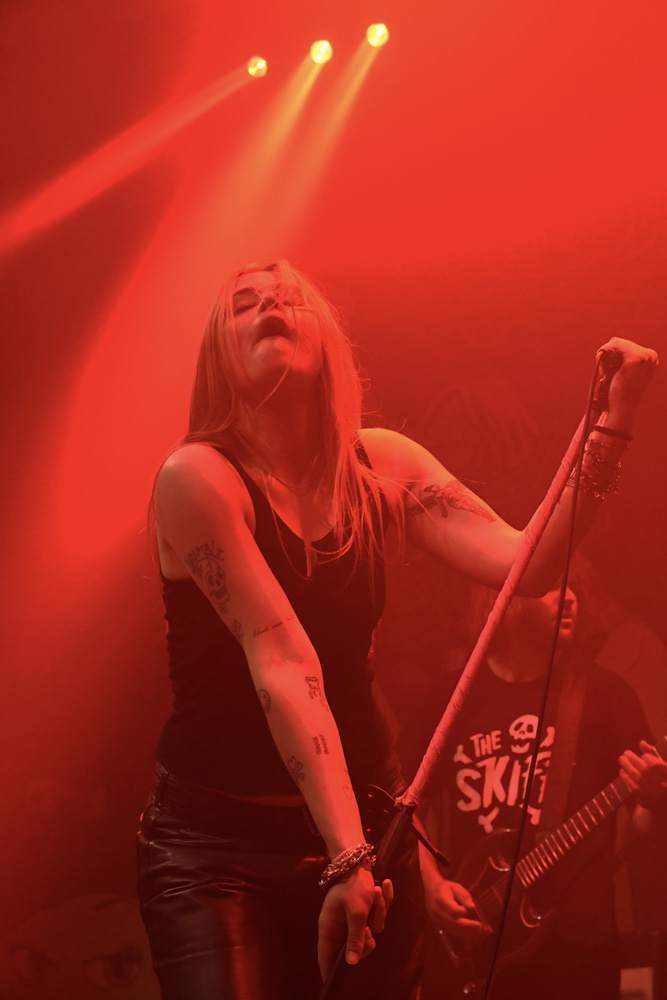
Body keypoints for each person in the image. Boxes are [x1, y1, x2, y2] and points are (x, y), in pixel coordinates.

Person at [135, 259, 657, 1000]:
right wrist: (346, 855)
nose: (269, 304)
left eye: (288, 298)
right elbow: (281, 659)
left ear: (329, 340)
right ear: (219, 352)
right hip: (223, 849)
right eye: (244, 303)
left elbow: (528, 564)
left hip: (369, 829)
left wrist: (610, 424)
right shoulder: (196, 477)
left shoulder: (381, 463)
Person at [418, 580, 667, 1000]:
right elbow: (403, 804)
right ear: (508, 595)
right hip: (469, 944)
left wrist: (657, 799)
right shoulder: (451, 697)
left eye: (575, 588)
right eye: (553, 586)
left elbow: (645, 822)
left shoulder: (606, 695)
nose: (570, 597)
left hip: (577, 955)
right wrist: (431, 886)